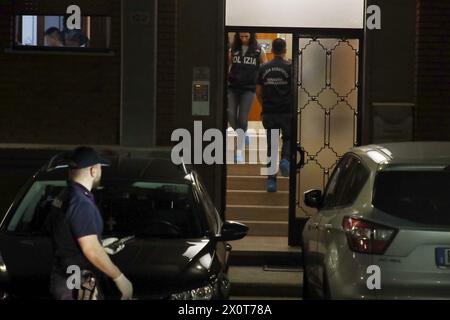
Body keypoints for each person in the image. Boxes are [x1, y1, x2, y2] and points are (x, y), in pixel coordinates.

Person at [48, 146, 133, 300]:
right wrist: (119, 278)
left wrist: (101, 245)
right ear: (93, 171)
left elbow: (67, 237)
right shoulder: (81, 203)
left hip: (65, 279)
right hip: (76, 285)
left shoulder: (64, 195)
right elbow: (91, 250)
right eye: (100, 168)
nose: (100, 173)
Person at [256, 38, 292, 192]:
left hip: (270, 112)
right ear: (284, 50)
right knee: (289, 138)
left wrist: (264, 105)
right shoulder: (290, 68)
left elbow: (258, 91)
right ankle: (285, 159)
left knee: (272, 145)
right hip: (286, 111)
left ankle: (271, 181)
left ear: (272, 50)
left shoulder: (264, 68)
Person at [228, 32, 267, 163]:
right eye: (241, 36)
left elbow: (264, 68)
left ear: (251, 36)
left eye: (246, 36)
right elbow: (227, 66)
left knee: (243, 119)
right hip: (233, 87)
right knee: (230, 114)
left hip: (249, 89)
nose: (244, 39)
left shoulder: (258, 50)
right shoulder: (233, 49)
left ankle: (238, 151)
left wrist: (261, 85)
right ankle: (242, 133)